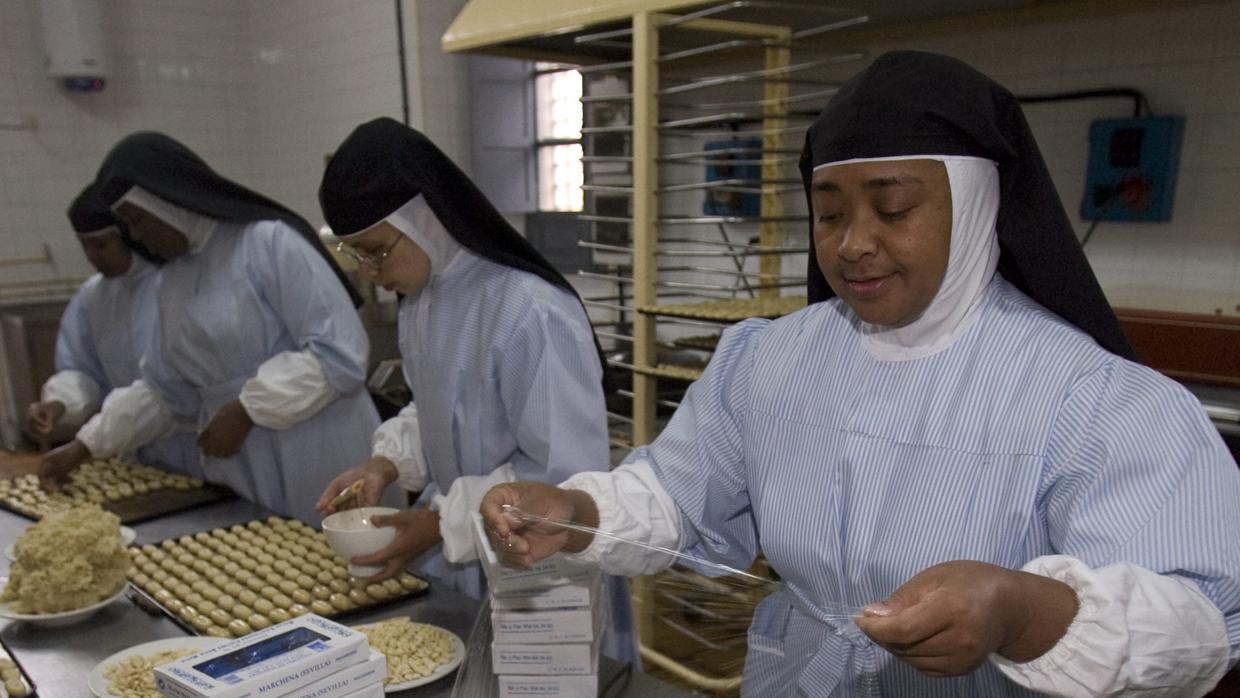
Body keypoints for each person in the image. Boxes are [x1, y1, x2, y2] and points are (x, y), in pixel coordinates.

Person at [481, 51, 1240, 696]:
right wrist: (576, 514)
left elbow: (1202, 623)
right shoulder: (770, 359)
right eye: (831, 212)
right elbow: (679, 495)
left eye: (893, 208)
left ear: (976, 209)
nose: (852, 245)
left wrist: (1024, 609)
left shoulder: (1094, 398)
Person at [313, 117, 634, 662]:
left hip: (543, 565)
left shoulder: (528, 310)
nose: (368, 273)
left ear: (425, 219)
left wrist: (439, 521)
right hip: (469, 555)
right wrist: (386, 465)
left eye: (375, 251)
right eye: (354, 257)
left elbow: (563, 473)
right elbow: (435, 410)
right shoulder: (422, 303)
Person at [39, 132, 392, 524]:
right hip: (241, 467)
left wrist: (244, 410)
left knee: (338, 566)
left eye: (136, 220)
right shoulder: (172, 280)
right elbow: (165, 391)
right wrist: (86, 445)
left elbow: (339, 355)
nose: (135, 236)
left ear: (167, 201)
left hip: (314, 449)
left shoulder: (267, 242)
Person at [27, 184, 200, 476]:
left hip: (190, 442)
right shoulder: (92, 299)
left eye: (102, 245)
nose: (93, 256)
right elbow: (83, 369)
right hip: (127, 443)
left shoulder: (173, 285)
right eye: (86, 246)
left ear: (130, 236)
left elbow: (165, 389)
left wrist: (87, 443)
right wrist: (60, 403)